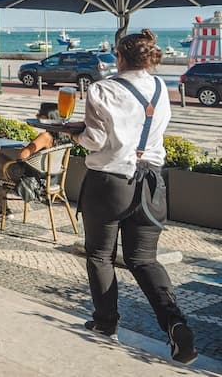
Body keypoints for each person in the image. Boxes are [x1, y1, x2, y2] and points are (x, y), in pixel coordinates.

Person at [73, 30, 196, 364]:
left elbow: (95, 140)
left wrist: (75, 134)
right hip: (152, 182)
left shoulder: (101, 89)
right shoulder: (160, 87)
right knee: (144, 260)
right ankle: (176, 325)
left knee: (100, 255)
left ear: (119, 56)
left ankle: (106, 323)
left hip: (109, 182)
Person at [0, 102, 72, 220]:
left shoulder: (45, 136)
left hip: (30, 180)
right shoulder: (65, 135)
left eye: (40, 114)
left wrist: (29, 148)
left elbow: (22, 155)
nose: (37, 117)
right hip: (50, 180)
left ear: (47, 118)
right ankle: (3, 211)